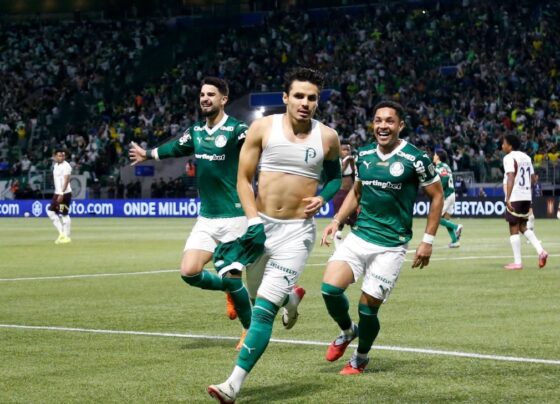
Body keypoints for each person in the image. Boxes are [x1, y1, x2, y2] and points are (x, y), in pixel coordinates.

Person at [208, 67, 342, 403]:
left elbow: (336, 179)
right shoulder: (263, 128)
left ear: (318, 101)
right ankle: (291, 298)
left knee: (263, 311)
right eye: (299, 96)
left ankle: (232, 385)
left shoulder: (327, 137)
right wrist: (253, 221)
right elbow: (243, 179)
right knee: (255, 297)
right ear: (285, 97)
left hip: (296, 233)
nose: (305, 103)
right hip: (260, 226)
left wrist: (323, 197)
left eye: (312, 97)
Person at [319, 100, 444, 375]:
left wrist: (428, 241)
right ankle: (347, 330)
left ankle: (360, 357)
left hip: (391, 246)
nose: (382, 126)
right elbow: (357, 192)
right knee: (329, 289)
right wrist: (337, 221)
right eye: (378, 120)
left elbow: (437, 196)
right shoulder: (363, 155)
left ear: (400, 125)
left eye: (389, 121)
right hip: (360, 236)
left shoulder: (415, 159)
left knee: (368, 308)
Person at [129, 77, 252, 347]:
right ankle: (230, 290)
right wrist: (147, 154)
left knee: (233, 277)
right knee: (189, 271)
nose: (205, 98)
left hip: (234, 217)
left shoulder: (237, 130)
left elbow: (258, 146)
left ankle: (248, 329)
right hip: (206, 218)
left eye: (211, 94)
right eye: (202, 94)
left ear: (223, 99)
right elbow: (175, 147)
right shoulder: (196, 131)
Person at [501, 134, 548, 270]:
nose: (502, 146)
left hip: (515, 196)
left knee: (513, 226)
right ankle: (541, 251)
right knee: (522, 226)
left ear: (510, 146)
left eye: (504, 143)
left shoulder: (509, 157)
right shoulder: (527, 157)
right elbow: (533, 179)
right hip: (526, 196)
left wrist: (508, 197)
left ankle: (517, 262)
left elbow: (510, 177)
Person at [433, 150, 463, 248]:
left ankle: (456, 227)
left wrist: (439, 192)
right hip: (452, 194)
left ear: (438, 156)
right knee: (446, 220)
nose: (433, 156)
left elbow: (445, 178)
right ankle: (455, 241)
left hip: (446, 195)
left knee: (437, 218)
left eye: (435, 154)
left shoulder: (439, 167)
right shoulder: (446, 166)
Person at [332, 140, 357, 248]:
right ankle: (338, 248)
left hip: (351, 194)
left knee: (354, 221)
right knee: (339, 219)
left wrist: (352, 163)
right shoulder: (335, 161)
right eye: (344, 150)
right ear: (339, 151)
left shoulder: (352, 160)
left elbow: (356, 174)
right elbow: (339, 173)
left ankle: (354, 247)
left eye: (348, 150)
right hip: (339, 193)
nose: (346, 152)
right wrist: (346, 163)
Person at [47, 147, 73, 244]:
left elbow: (66, 180)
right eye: (59, 156)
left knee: (64, 214)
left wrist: (62, 193)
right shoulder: (55, 166)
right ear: (55, 157)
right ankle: (62, 234)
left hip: (65, 194)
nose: (61, 157)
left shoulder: (66, 166)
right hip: (57, 193)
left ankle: (66, 236)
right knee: (50, 212)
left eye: (62, 156)